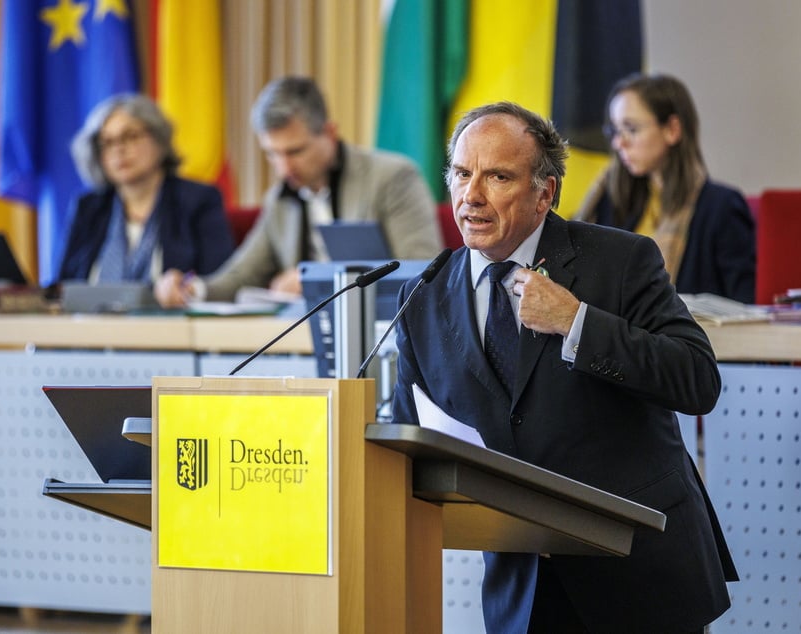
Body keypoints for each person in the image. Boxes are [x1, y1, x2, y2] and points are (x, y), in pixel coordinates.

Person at [391, 101, 737, 633]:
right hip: (521, 595)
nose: (471, 196)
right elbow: (406, 439)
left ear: (544, 192)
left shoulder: (620, 262)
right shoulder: (424, 297)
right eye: (462, 174)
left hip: (637, 578)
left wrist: (578, 322)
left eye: (497, 176)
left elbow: (697, 380)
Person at [193, 76, 442, 301]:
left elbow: (422, 269)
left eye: (295, 151)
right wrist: (192, 290)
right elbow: (241, 275)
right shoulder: (279, 199)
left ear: (330, 133)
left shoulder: (393, 177)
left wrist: (316, 279)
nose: (283, 168)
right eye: (272, 154)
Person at [574, 72, 756, 304]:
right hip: (615, 337)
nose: (619, 143)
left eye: (631, 129)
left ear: (672, 129)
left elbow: (744, 307)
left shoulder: (722, 207)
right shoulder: (610, 200)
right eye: (615, 131)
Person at [58, 93, 234, 307]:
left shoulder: (197, 201)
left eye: (130, 136)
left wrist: (188, 288)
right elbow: (64, 286)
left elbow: (218, 281)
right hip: (89, 334)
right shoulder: (89, 207)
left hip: (169, 333)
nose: (118, 150)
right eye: (107, 142)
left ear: (159, 140)